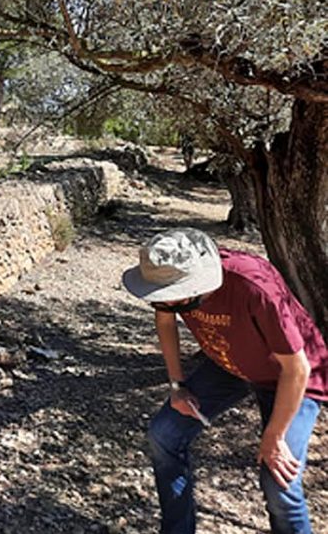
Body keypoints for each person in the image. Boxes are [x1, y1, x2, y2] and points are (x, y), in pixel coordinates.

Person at [122, 228, 326, 534]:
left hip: (291, 378)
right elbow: (165, 320)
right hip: (229, 364)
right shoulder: (167, 285)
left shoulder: (253, 286)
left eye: (171, 299)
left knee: (279, 482)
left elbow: (297, 369)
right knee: (163, 434)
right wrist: (177, 385)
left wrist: (274, 435)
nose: (164, 305)